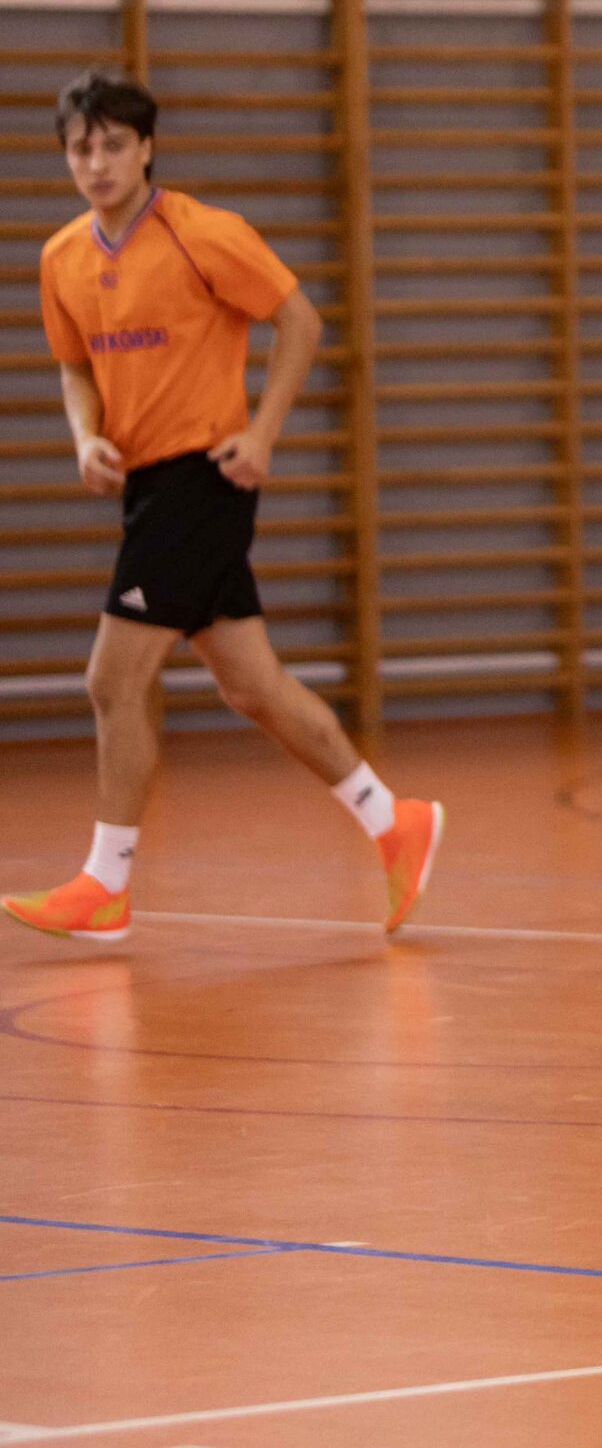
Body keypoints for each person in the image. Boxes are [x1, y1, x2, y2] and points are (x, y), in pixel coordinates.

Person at [5, 71, 444, 944]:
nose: (97, 163)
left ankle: (106, 883)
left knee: (111, 679)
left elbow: (301, 320)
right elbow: (75, 365)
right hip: (146, 487)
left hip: (201, 480)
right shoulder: (61, 258)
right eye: (81, 148)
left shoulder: (203, 232)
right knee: (251, 684)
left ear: (146, 148)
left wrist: (264, 432)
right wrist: (85, 436)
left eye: (114, 145)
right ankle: (395, 820)